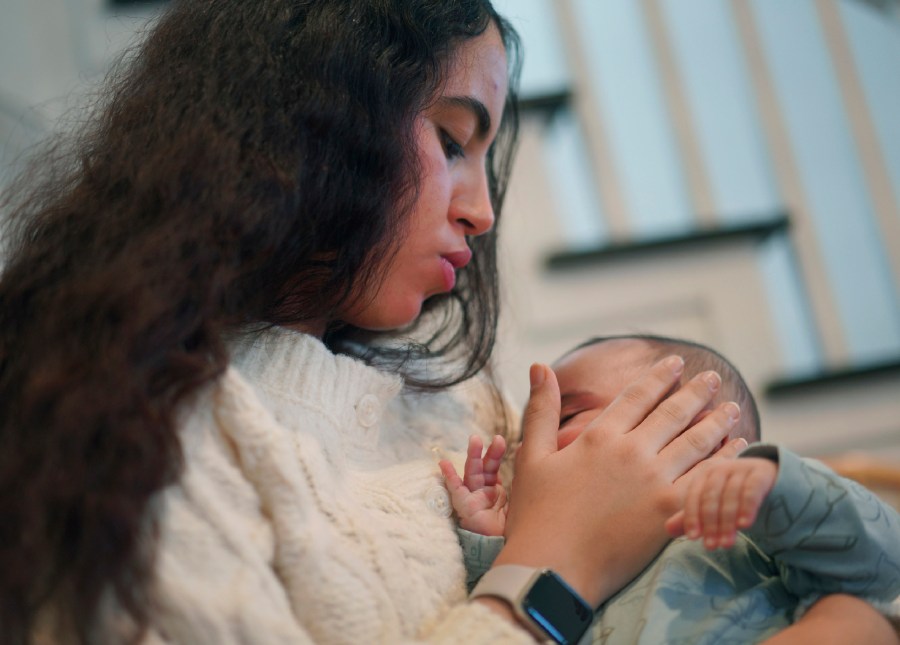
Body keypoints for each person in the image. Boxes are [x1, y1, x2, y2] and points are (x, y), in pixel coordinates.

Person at [0, 1, 772, 642]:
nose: (483, 210)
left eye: (483, 157)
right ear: (310, 120)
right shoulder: (129, 445)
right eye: (449, 140)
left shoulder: (461, 407)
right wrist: (553, 576)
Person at [442, 334, 900, 643]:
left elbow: (879, 564)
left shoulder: (744, 531)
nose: (530, 452)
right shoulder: (573, 545)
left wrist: (776, 486)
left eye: (565, 418)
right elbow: (524, 624)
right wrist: (498, 543)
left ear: (695, 430)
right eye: (526, 438)